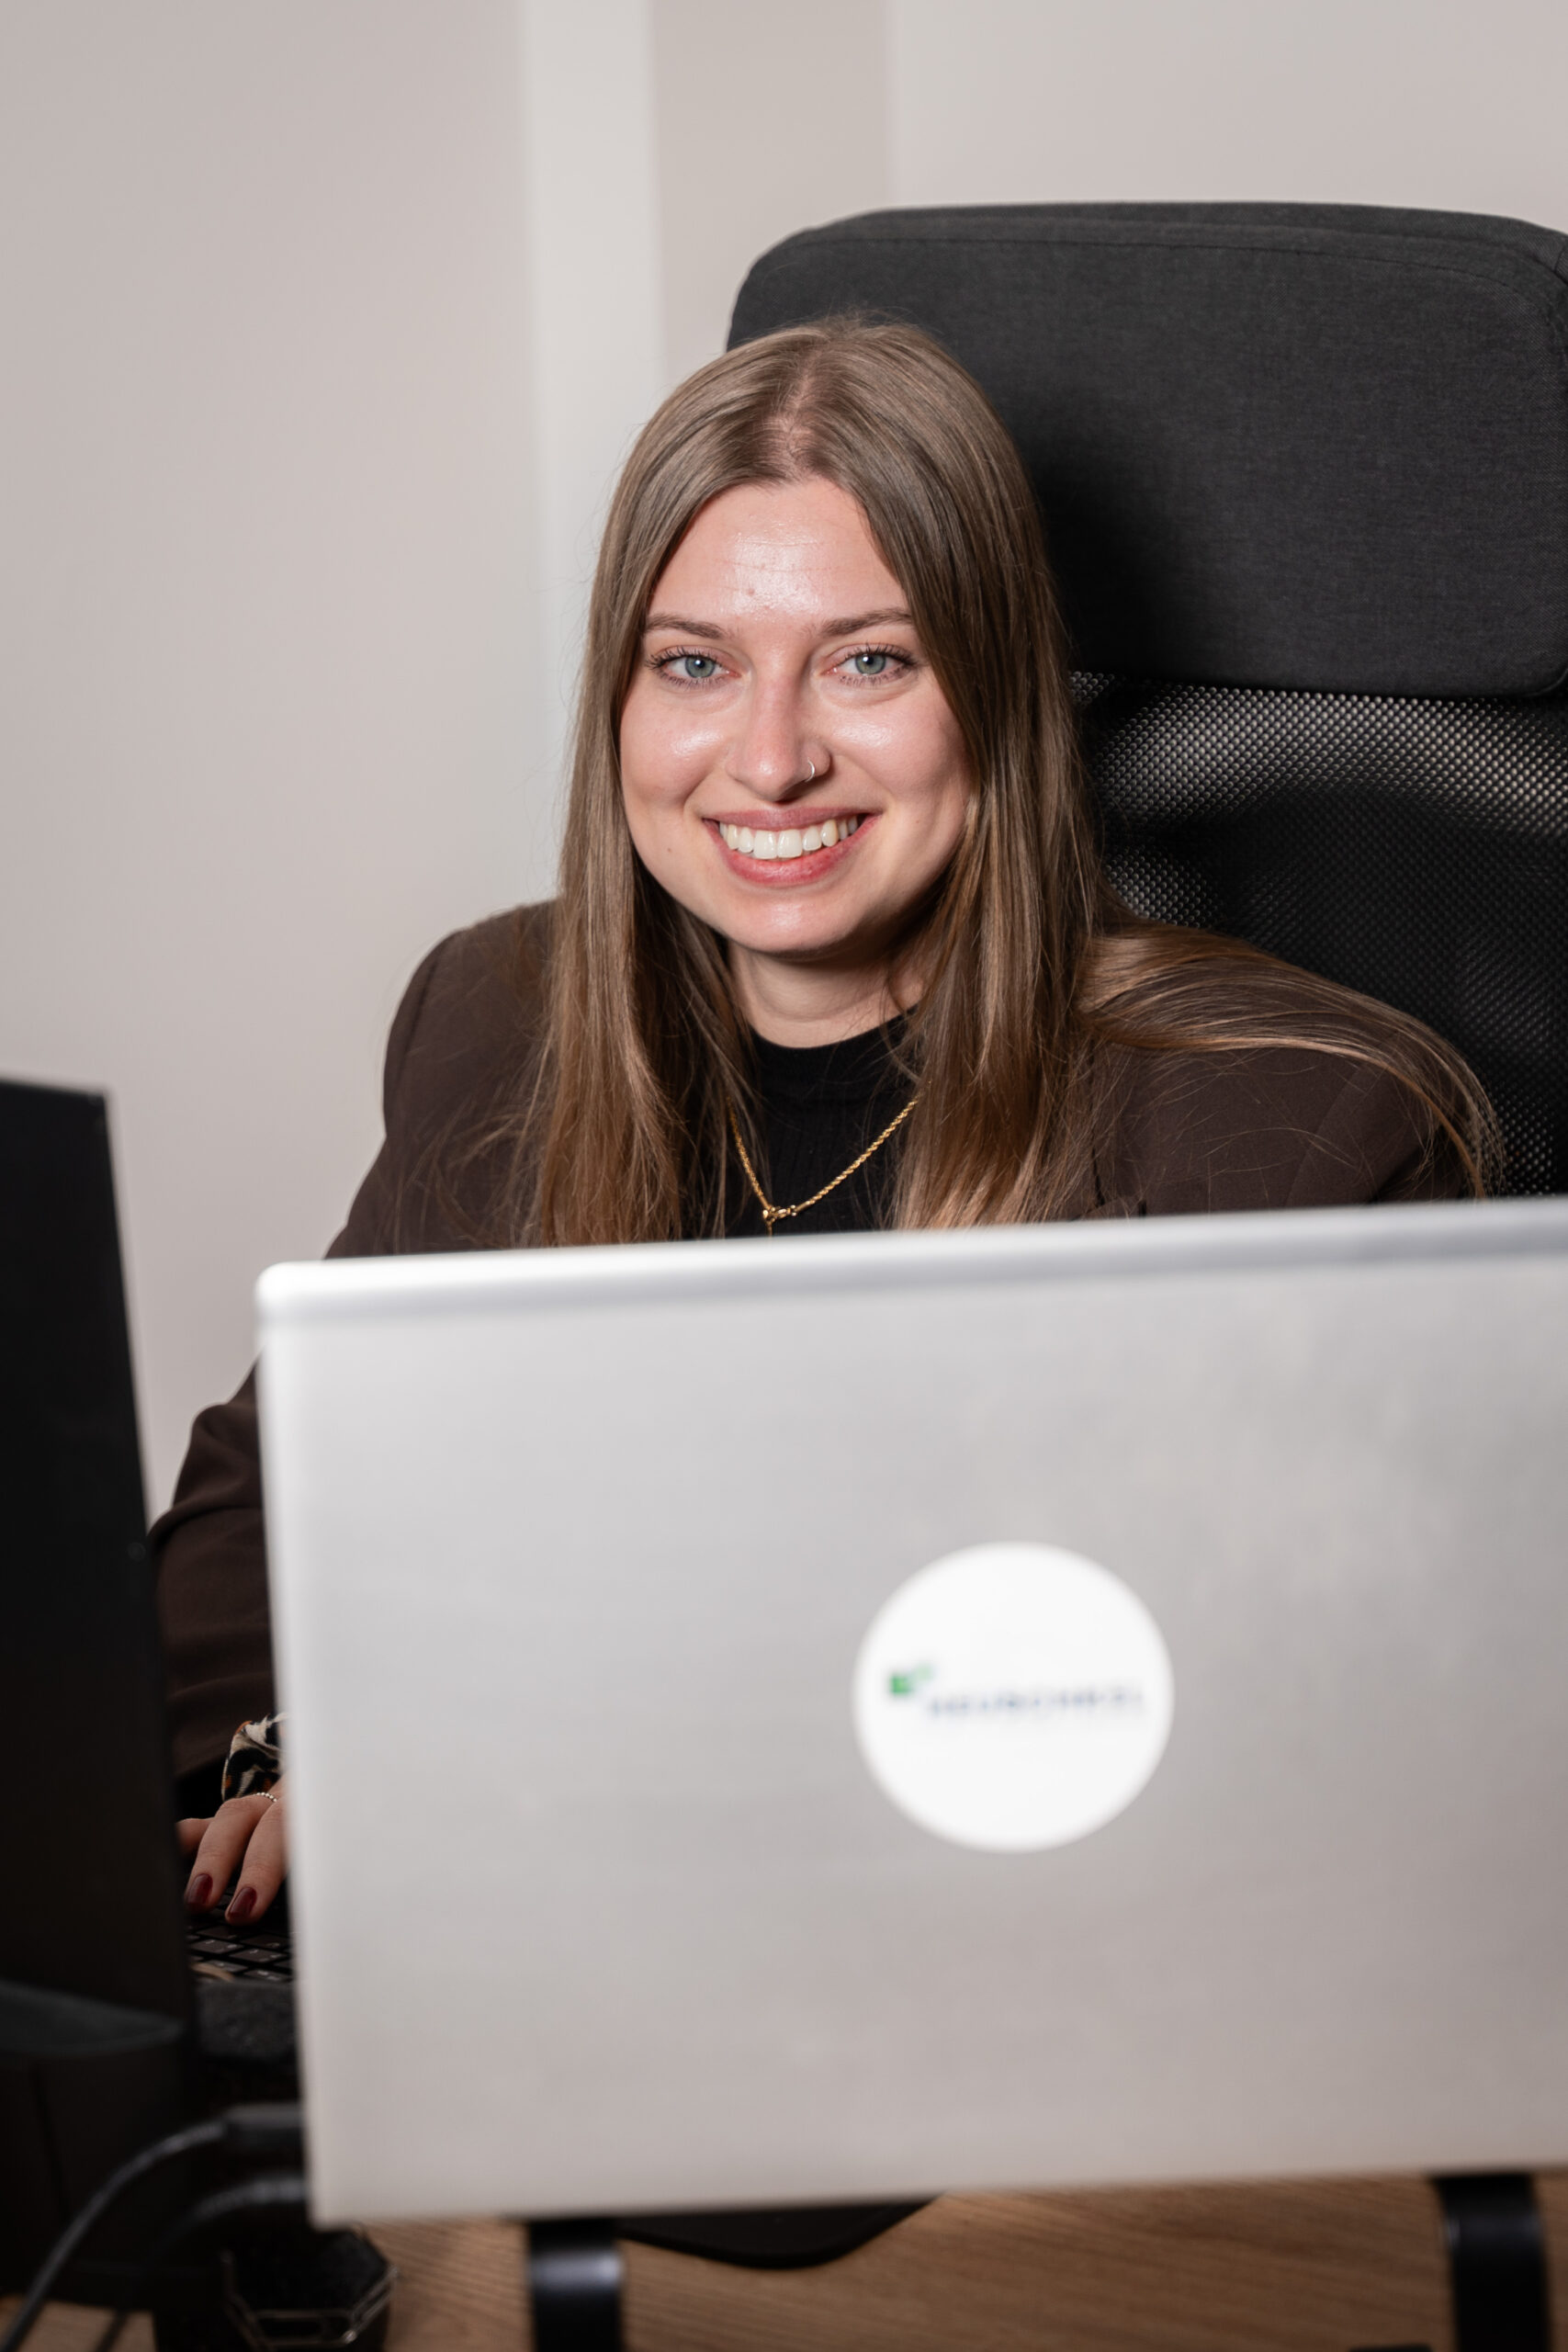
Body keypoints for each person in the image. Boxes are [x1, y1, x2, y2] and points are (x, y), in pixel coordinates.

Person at [161, 317, 1495, 1928]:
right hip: (517, 1942)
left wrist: (492, 1776)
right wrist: (289, 1773)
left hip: (1008, 1973)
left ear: (995, 693)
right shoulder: (501, 1018)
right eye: (695, 664)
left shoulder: (1300, 1135)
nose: (774, 759)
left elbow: (1288, 1752)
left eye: (871, 661)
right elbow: (274, 1504)